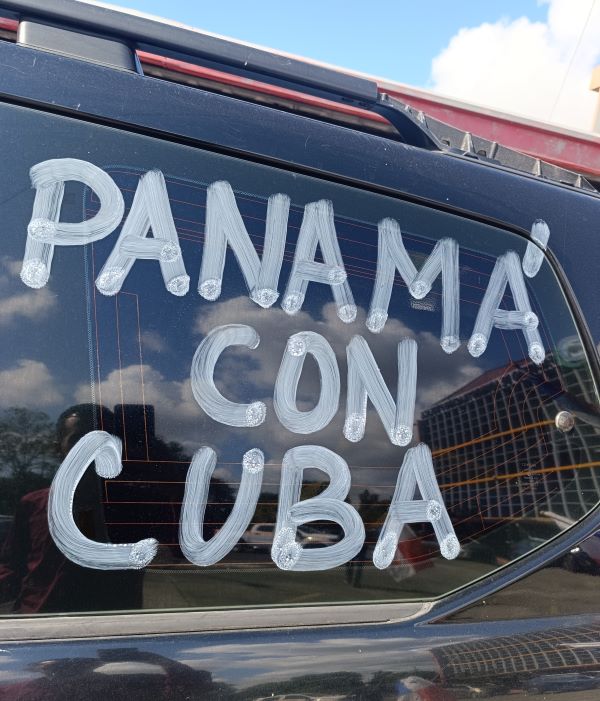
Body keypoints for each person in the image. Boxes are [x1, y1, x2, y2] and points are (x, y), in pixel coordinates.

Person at [0, 404, 143, 613]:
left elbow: (181, 553)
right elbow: (11, 566)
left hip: (111, 625)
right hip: (37, 622)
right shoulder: (33, 504)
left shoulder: (133, 507)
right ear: (58, 449)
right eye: (77, 440)